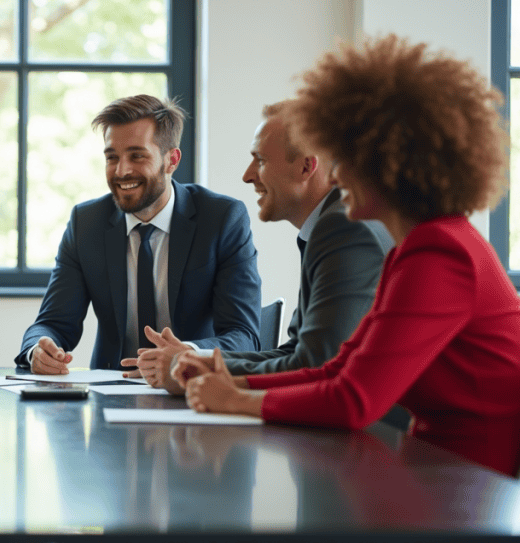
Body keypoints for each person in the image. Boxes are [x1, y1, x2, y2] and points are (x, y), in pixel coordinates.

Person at [142, 35, 520, 543]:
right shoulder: (418, 249)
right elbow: (340, 367)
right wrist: (235, 384)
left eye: (347, 157)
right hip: (421, 487)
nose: (335, 173)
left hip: (453, 511)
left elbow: (354, 400)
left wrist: (236, 398)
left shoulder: (442, 253)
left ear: (389, 164)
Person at [132, 101, 392, 395]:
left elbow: (316, 364)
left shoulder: (343, 229)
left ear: (306, 166)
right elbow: (296, 352)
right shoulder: (334, 224)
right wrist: (193, 361)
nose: (247, 175)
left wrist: (195, 370)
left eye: (261, 160)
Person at [16, 94, 262, 374]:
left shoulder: (222, 219)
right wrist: (37, 349)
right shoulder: (86, 224)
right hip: (110, 389)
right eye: (112, 157)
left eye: (137, 156)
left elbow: (244, 336)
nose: (122, 171)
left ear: (172, 160)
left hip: (192, 390)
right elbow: (54, 323)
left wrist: (188, 353)